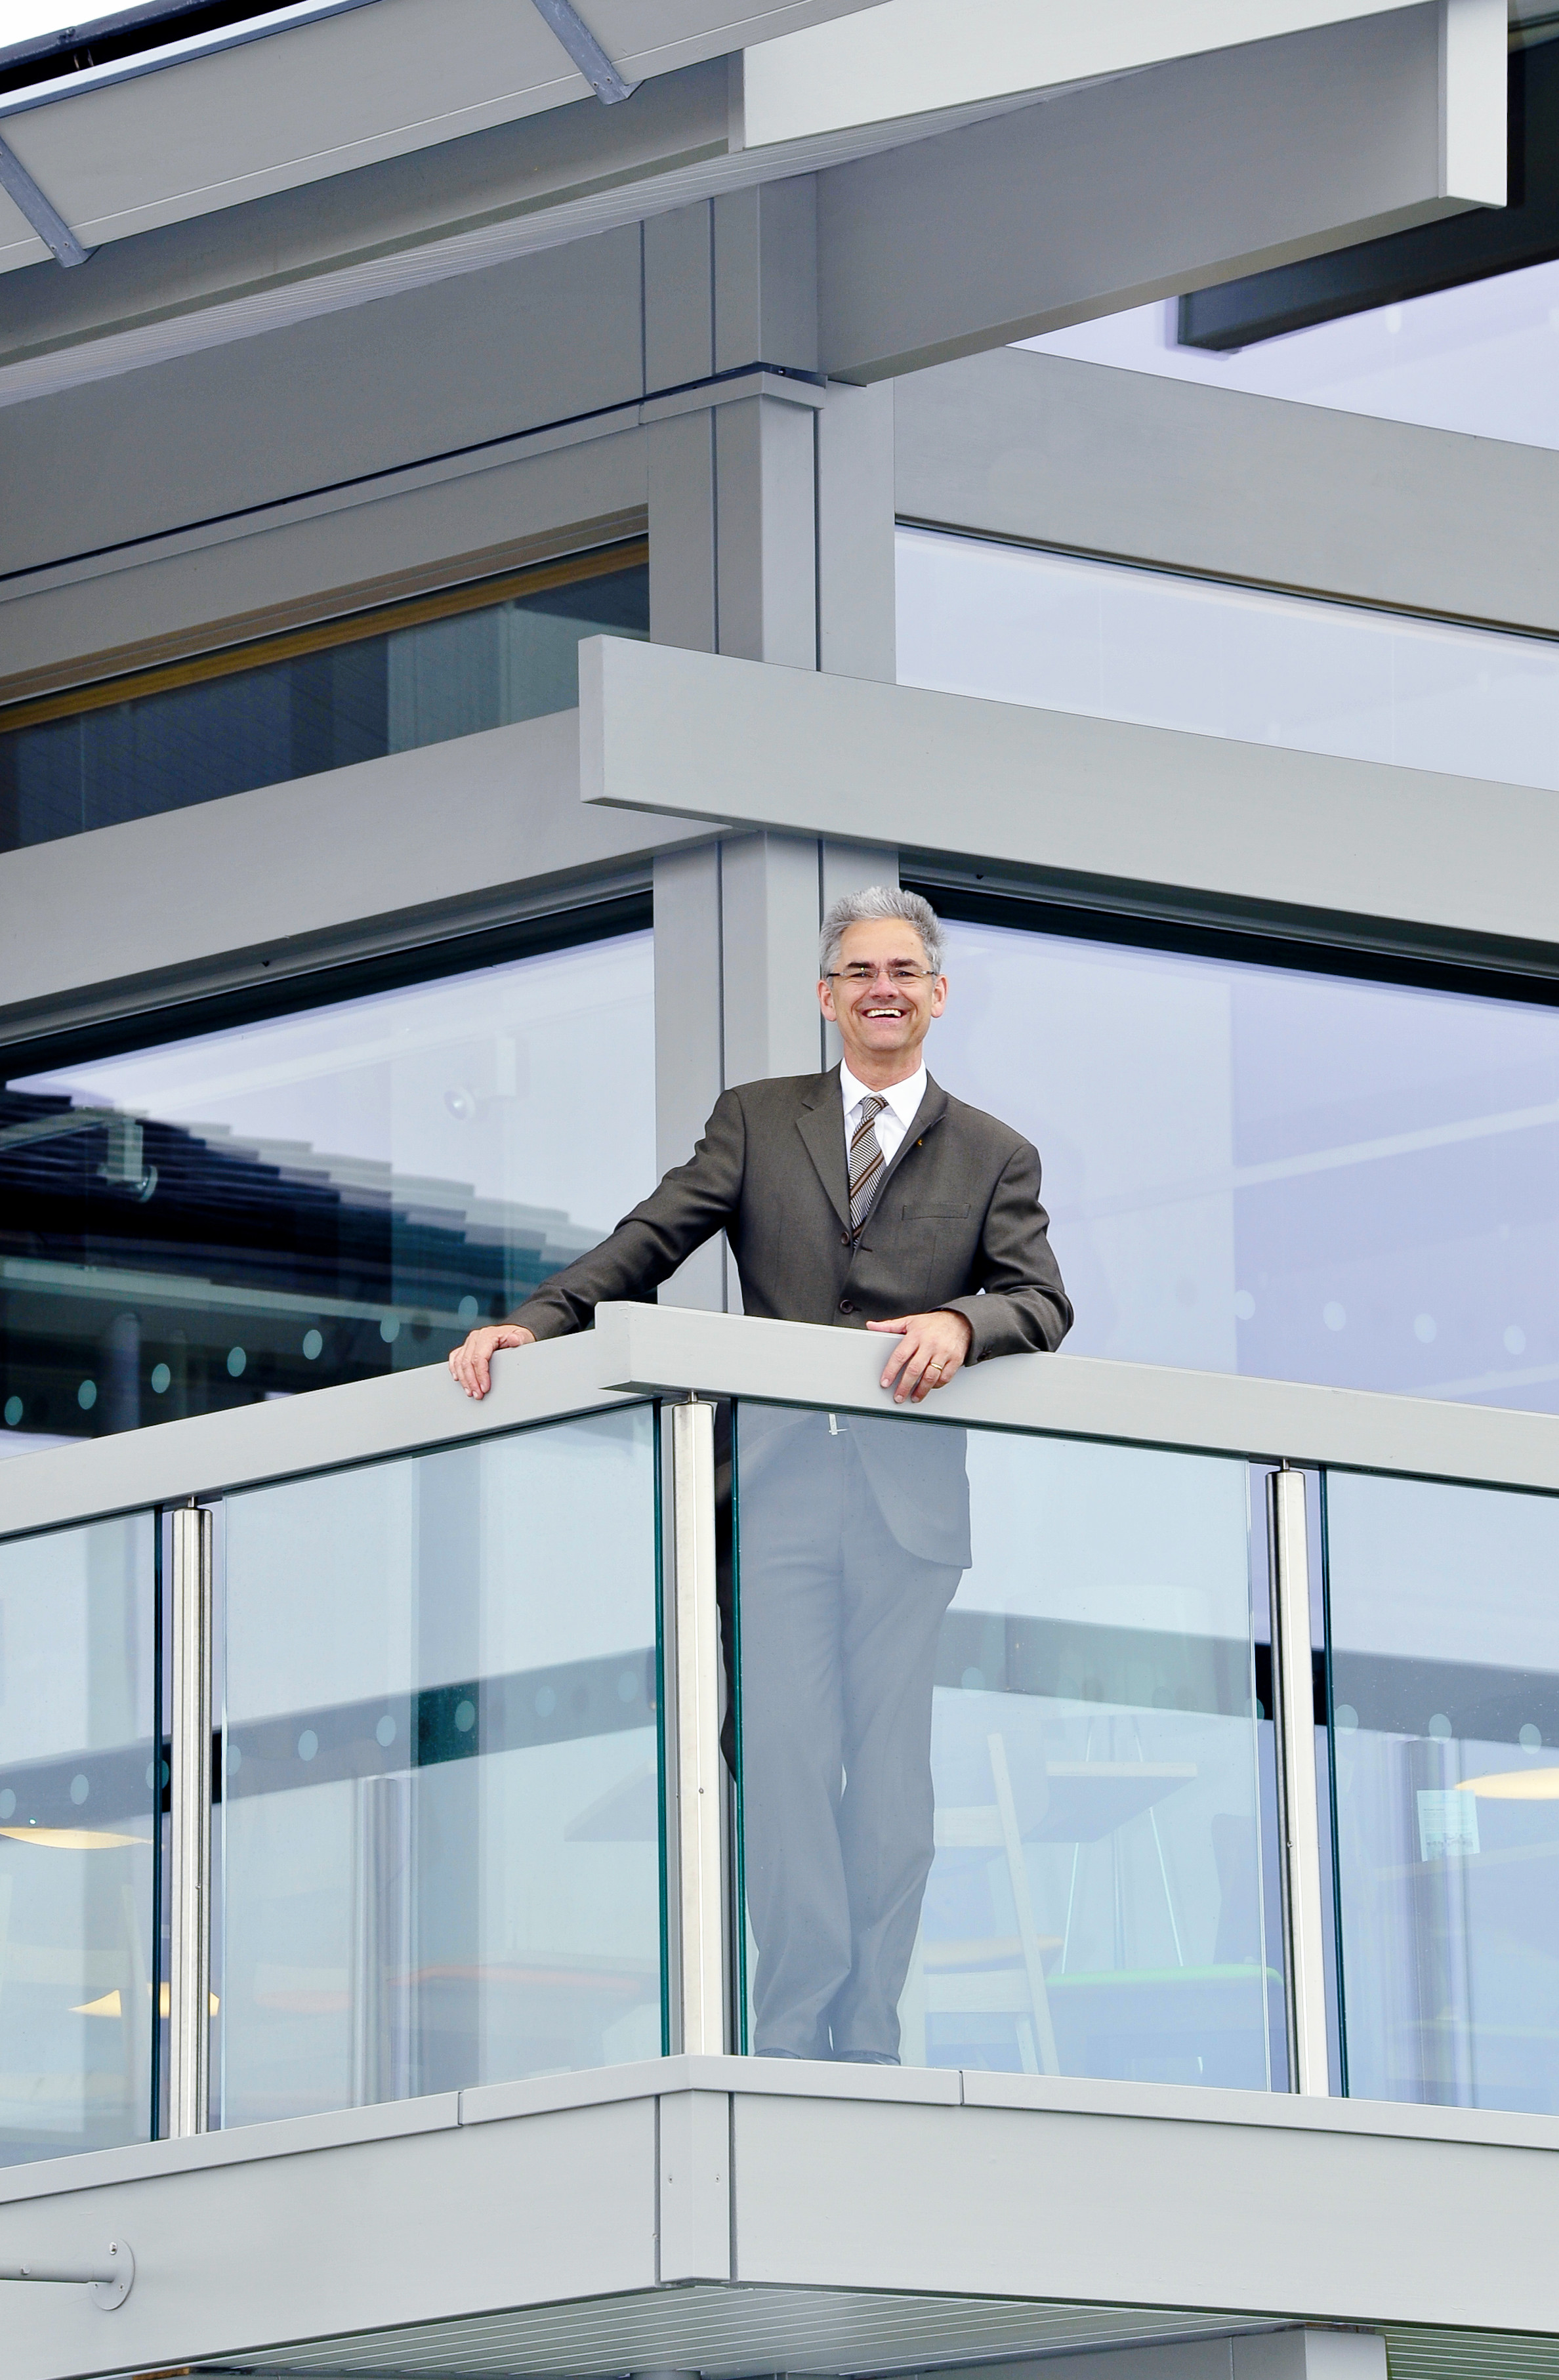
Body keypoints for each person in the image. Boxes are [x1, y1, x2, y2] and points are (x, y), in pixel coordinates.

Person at [449, 886, 1071, 2061]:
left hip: (908, 1511)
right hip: (777, 1494)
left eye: (904, 972)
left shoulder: (997, 1153)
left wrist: (964, 1321)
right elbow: (651, 1238)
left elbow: (1041, 1300)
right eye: (860, 973)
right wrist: (539, 1321)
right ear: (827, 997)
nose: (882, 990)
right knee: (780, 1760)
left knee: (889, 1783)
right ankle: (790, 2029)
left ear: (938, 997)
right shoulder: (757, 1119)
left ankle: (869, 2028)